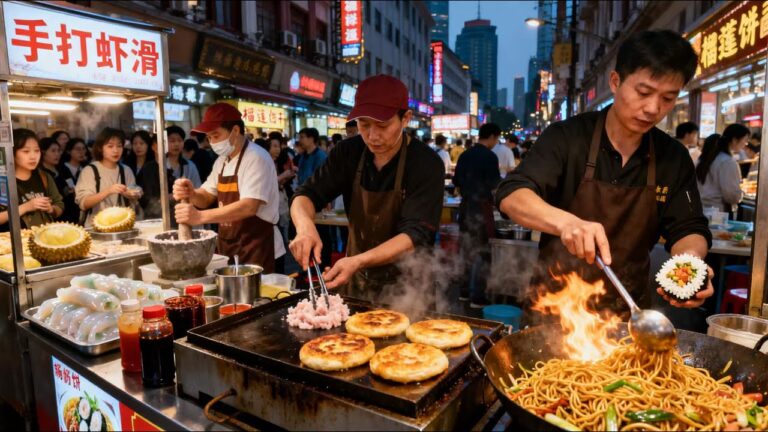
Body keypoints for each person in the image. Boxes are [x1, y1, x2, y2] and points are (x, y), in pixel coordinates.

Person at [496, 30, 714, 321]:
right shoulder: (567, 137)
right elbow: (512, 194)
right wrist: (566, 223)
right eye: (644, 92)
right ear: (615, 82)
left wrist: (690, 264)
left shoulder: (673, 157)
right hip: (554, 309)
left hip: (626, 316)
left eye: (668, 98)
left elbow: (689, 227)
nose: (653, 108)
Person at [289, 75, 444, 300]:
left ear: (405, 118)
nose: (372, 136)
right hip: (356, 278)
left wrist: (358, 261)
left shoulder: (426, 163)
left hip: (409, 285)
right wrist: (304, 227)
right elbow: (306, 195)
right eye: (364, 124)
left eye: (382, 125)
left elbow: (415, 234)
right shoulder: (347, 152)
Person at [171, 103, 281, 272]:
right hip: (231, 247)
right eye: (209, 138)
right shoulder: (222, 161)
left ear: (235, 131)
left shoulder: (256, 158)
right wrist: (191, 193)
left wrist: (199, 217)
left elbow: (249, 206)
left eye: (215, 136)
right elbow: (207, 195)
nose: (212, 142)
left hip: (258, 247)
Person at [453, 123, 502, 307]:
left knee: (466, 250)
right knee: (483, 252)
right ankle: (478, 298)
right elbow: (495, 185)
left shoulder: (465, 154)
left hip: (465, 208)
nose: (495, 142)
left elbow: (456, 181)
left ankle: (464, 293)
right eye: (496, 139)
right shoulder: (490, 156)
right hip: (481, 209)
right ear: (491, 136)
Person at [75, 128, 141, 228]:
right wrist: (108, 191)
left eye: (119, 146)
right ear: (100, 148)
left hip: (123, 225)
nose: (116, 150)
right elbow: (84, 203)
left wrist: (134, 194)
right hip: (96, 227)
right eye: (110, 146)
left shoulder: (126, 170)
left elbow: (135, 193)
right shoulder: (90, 170)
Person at [0, 129, 64, 230]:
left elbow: (59, 205)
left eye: (37, 150)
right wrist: (26, 207)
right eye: (26, 151)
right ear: (12, 153)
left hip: (44, 238)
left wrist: (51, 209)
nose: (33, 156)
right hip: (13, 242)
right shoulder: (2, 181)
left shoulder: (44, 177)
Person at [696, 125, 749, 215]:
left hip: (701, 210)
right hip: (718, 214)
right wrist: (741, 194)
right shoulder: (727, 161)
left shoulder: (705, 159)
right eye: (745, 140)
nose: (746, 143)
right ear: (735, 140)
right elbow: (731, 195)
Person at [124, 131, 161, 219]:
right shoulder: (126, 163)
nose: (138, 146)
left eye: (142, 143)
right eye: (135, 143)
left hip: (150, 208)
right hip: (129, 206)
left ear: (148, 145)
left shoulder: (153, 164)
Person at [58, 138, 87, 223]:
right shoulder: (62, 169)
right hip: (68, 211)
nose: (81, 152)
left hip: (83, 209)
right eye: (78, 149)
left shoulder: (87, 168)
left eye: (83, 149)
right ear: (69, 151)